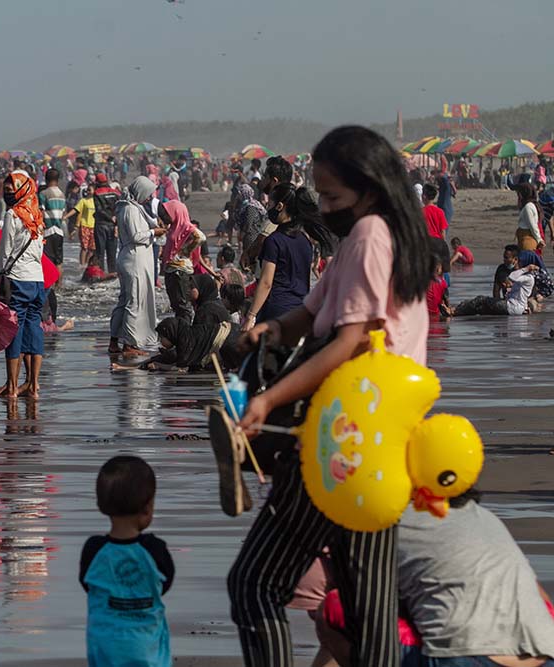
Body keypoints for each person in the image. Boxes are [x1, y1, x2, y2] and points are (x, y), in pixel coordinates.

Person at [230, 126, 434, 667]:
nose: (322, 206)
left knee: (255, 585)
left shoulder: (369, 234)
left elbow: (347, 344)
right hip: (383, 448)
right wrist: (268, 333)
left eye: (332, 196)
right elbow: (311, 314)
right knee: (369, 607)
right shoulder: (381, 234)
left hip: (343, 441)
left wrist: (268, 401)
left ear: (367, 189)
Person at [318, 491, 554, 665]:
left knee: (333, 609)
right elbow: (539, 596)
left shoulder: (385, 522)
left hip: (470, 658)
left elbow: (362, 600)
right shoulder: (482, 516)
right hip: (545, 654)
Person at [80, 456, 174, 667]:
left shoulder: (94, 550)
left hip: (105, 643)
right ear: (148, 508)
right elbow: (165, 583)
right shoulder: (154, 549)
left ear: (100, 504)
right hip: (147, 642)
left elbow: (88, 584)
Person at [0, 171, 46, 399]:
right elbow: (40, 250)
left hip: (17, 279)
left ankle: (12, 386)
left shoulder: (13, 215)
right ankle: (34, 385)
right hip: (38, 279)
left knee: (13, 329)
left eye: (10, 191)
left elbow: (5, 251)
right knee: (34, 328)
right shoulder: (37, 215)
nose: (8, 195)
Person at [243, 184, 317, 331]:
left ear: (279, 206)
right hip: (300, 311)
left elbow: (266, 283)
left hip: (276, 311)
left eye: (270, 203)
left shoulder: (274, 241)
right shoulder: (305, 240)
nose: (267, 207)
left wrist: (251, 316)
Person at [109, 176, 166, 357]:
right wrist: (153, 232)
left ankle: (114, 341)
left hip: (130, 257)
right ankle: (130, 344)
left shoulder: (128, 207)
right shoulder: (130, 209)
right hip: (134, 259)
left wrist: (154, 229)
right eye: (148, 194)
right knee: (134, 302)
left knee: (125, 301)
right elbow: (136, 235)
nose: (149, 198)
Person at [455, 248, 537, 316]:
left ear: (516, 260)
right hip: (512, 305)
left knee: (480, 299)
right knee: (481, 309)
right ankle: (460, 311)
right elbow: (496, 289)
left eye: (506, 258)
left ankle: (456, 311)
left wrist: (525, 269)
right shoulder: (503, 269)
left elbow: (512, 277)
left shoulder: (527, 277)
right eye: (504, 257)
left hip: (512, 306)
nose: (504, 260)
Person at [160, 200, 204, 324]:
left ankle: (185, 333)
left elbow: (200, 237)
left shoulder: (186, 225)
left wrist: (186, 250)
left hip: (180, 270)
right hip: (172, 269)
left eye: (168, 213)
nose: (166, 217)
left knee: (182, 304)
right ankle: (182, 331)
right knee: (176, 304)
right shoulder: (175, 226)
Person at [38, 168, 67, 280]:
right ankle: (60, 284)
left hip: (48, 231)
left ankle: (51, 286)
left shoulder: (43, 193)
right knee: (58, 261)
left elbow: (41, 212)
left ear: (46, 179)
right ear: (57, 180)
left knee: (48, 261)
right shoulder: (62, 194)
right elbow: (63, 213)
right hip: (59, 231)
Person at [92, 173, 121, 273]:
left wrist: (109, 218)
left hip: (101, 225)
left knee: (100, 253)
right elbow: (120, 207)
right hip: (113, 226)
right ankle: (112, 275)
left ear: (97, 182)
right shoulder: (116, 193)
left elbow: (99, 210)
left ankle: (101, 275)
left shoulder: (97, 193)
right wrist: (115, 219)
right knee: (112, 253)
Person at [235, 183, 269, 267]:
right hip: (250, 235)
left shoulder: (251, 206)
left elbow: (248, 223)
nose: (238, 196)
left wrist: (242, 234)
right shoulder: (246, 205)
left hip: (252, 236)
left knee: (249, 258)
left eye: (239, 193)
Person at [516, 182, 544, 253]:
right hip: (524, 237)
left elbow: (533, 226)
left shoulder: (528, 207)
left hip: (527, 239)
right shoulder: (529, 205)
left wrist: (539, 239)